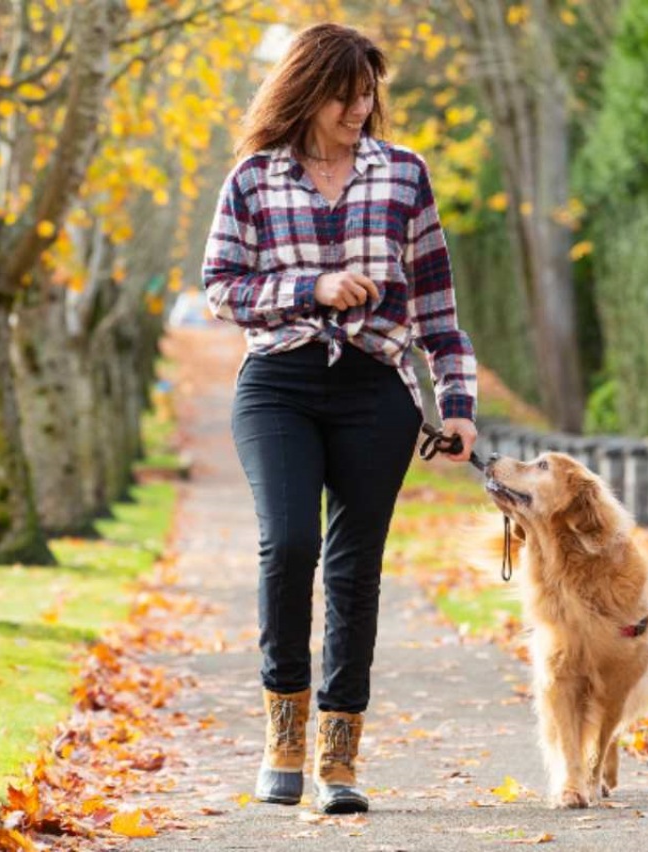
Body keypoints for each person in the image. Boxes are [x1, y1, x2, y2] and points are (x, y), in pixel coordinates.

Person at [201, 22, 477, 814]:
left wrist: (456, 408)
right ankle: (282, 730)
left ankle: (339, 755)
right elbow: (220, 286)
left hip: (373, 392)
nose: (361, 107)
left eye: (368, 94)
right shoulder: (253, 179)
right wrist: (309, 290)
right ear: (305, 90)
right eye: (345, 93)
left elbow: (437, 309)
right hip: (278, 385)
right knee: (287, 542)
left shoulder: (403, 177)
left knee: (355, 569)